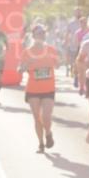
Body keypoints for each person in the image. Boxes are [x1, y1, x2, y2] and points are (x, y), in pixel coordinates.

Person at [19, 24, 60, 153]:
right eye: (38, 34)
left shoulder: (51, 50)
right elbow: (20, 69)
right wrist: (26, 65)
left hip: (48, 88)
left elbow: (58, 65)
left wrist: (57, 60)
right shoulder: (27, 52)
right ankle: (41, 143)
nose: (41, 36)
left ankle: (48, 133)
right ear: (33, 36)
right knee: (37, 117)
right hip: (33, 89)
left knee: (46, 116)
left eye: (43, 34)